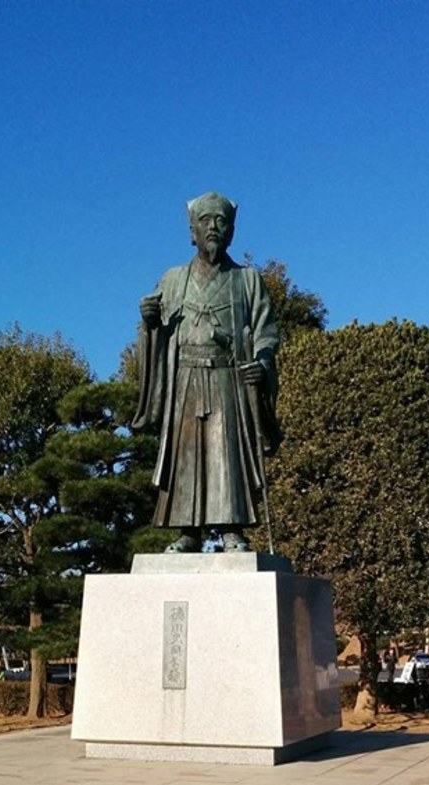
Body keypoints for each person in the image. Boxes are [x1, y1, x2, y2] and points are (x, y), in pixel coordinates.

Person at [132, 192, 280, 553]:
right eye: (205, 221)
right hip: (184, 379)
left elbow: (266, 334)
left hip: (228, 376)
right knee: (186, 453)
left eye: (221, 221)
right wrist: (150, 324)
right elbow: (157, 335)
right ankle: (188, 532)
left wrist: (261, 364)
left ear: (232, 232)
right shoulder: (173, 280)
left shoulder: (247, 280)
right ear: (191, 232)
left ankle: (232, 528)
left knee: (226, 452)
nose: (213, 227)